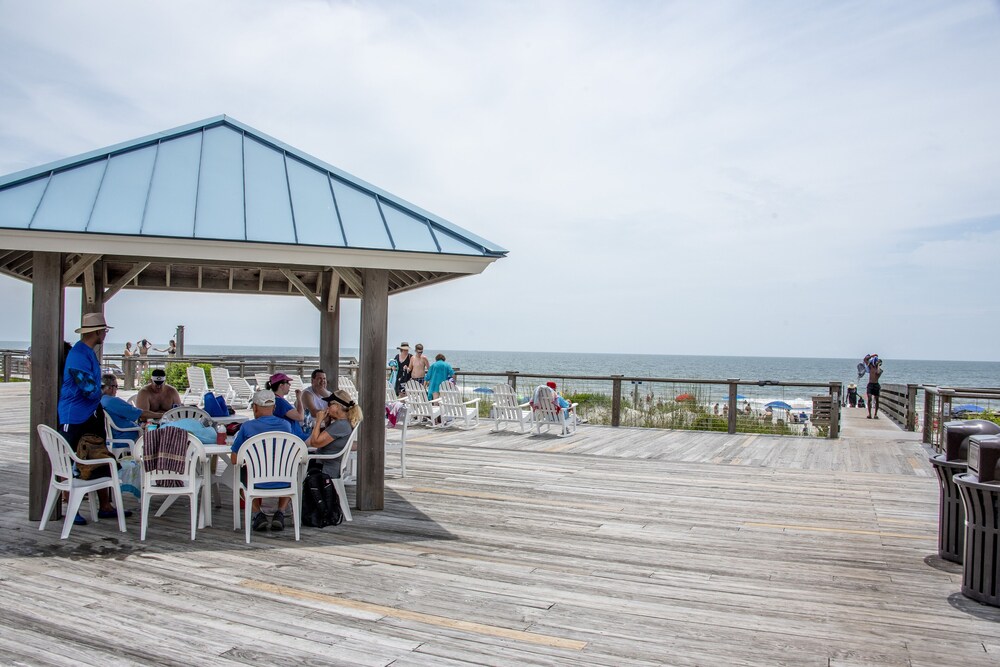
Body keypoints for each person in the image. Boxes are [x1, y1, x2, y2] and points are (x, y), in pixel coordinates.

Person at [57, 313, 130, 522]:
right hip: (75, 415)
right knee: (69, 459)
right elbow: (87, 388)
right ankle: (71, 508)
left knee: (100, 456)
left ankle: (105, 506)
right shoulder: (79, 354)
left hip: (91, 413)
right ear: (97, 332)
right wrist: (102, 392)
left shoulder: (88, 352)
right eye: (104, 330)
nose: (105, 334)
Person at [230, 390, 296, 532]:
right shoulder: (286, 426)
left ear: (255, 407)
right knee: (290, 470)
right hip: (285, 481)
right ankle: (281, 512)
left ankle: (257, 514)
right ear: (274, 407)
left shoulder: (247, 427)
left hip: (256, 481)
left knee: (238, 474)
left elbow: (235, 459)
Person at [306, 389, 364, 479]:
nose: (327, 407)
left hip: (324, 467)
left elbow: (315, 443)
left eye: (329, 404)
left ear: (337, 406)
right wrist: (327, 422)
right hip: (325, 463)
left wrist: (318, 421)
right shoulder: (344, 423)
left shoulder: (341, 425)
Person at [100, 373, 162, 443]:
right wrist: (161, 415)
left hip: (113, 437)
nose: (117, 389)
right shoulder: (112, 401)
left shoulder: (101, 400)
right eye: (116, 386)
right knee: (157, 435)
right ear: (110, 387)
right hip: (126, 436)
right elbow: (141, 413)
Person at [267, 372, 307, 438]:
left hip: (283, 436)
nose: (290, 385)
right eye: (287, 383)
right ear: (281, 386)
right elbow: (300, 417)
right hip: (294, 438)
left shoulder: (272, 399)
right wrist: (299, 398)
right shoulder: (280, 402)